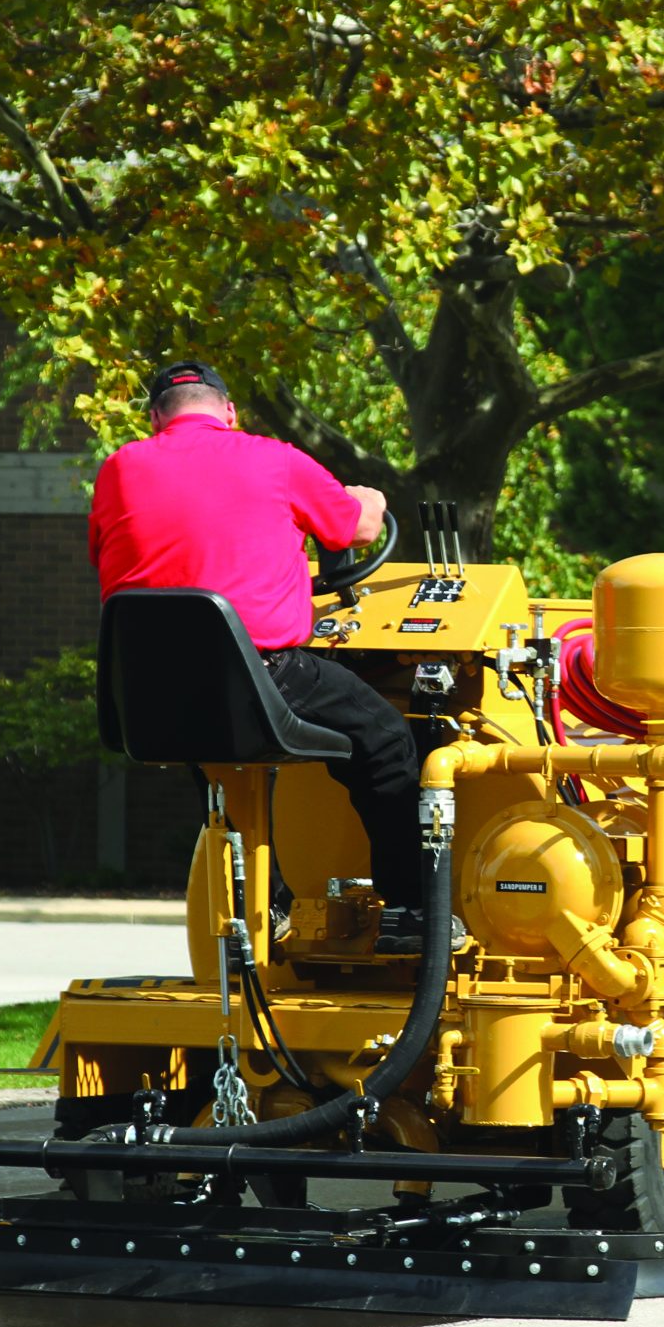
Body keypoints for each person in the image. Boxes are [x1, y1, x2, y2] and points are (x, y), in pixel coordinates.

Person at [90, 360, 439, 954]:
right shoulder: (273, 458)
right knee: (383, 738)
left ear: (155, 420)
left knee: (219, 768)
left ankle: (268, 905)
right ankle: (409, 910)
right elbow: (355, 531)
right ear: (229, 413)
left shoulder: (120, 468)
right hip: (263, 674)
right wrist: (370, 499)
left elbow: (109, 554)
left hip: (150, 692)